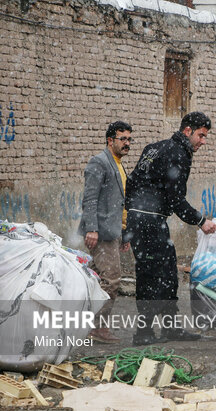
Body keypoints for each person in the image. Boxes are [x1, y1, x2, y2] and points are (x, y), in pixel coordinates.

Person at [125, 112, 216, 345]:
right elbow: (176, 199)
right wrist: (201, 220)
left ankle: (167, 328)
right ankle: (145, 333)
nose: (203, 142)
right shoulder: (179, 153)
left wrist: (131, 217)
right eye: (201, 136)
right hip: (151, 222)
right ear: (187, 131)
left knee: (155, 273)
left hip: (141, 220)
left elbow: (132, 182)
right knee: (159, 276)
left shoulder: (154, 148)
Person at [78, 121, 133, 344]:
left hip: (113, 231)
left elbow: (120, 202)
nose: (127, 143)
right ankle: (98, 328)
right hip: (100, 232)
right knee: (111, 280)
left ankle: (83, 322)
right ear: (110, 140)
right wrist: (91, 228)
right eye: (123, 139)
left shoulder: (118, 164)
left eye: (129, 139)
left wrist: (124, 232)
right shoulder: (98, 162)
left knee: (92, 279)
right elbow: (90, 198)